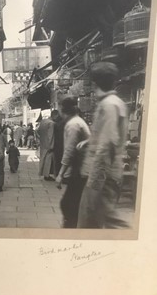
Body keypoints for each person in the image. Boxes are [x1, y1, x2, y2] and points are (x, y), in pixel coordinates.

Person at [77, 62, 129, 229]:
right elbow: (109, 136)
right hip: (105, 174)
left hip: (102, 177)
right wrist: (90, 141)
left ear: (94, 83)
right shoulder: (113, 103)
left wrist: (94, 183)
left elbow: (107, 145)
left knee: (94, 223)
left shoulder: (108, 105)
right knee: (98, 222)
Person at [55, 97, 90, 228]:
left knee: (68, 204)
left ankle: (71, 230)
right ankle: (72, 226)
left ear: (61, 109)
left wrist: (60, 174)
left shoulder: (73, 124)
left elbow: (69, 150)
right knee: (71, 204)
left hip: (81, 171)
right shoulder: (77, 121)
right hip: (80, 170)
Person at [38, 110, 60, 181]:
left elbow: (37, 131)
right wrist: (51, 145)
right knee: (48, 160)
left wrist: (41, 139)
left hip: (42, 143)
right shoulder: (51, 123)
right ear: (55, 115)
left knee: (43, 159)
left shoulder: (43, 122)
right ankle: (47, 175)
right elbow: (51, 135)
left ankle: (45, 174)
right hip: (48, 145)